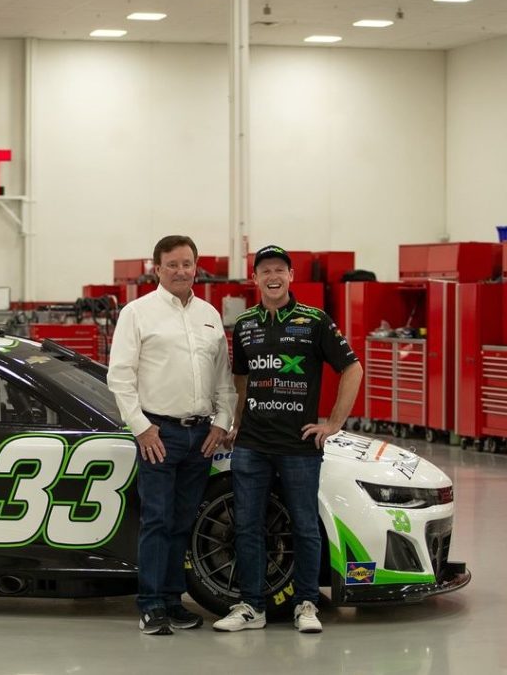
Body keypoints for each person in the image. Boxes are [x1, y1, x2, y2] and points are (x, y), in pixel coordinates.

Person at [212, 245, 362, 634]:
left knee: (305, 527)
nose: (273, 276)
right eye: (265, 270)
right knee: (247, 527)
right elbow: (241, 378)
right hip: (251, 445)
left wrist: (333, 423)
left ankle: (306, 603)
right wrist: (236, 422)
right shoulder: (245, 324)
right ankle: (252, 606)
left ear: (291, 276)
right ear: (255, 278)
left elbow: (352, 368)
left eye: (280, 269)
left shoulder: (314, 321)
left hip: (299, 446)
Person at [107, 235, 236, 636]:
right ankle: (150, 604)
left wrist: (222, 420)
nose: (181, 271)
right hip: (159, 435)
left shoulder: (209, 315)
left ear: (196, 267)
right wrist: (142, 428)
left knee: (183, 522)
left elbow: (223, 378)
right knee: (158, 521)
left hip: (201, 435)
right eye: (173, 264)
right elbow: (120, 377)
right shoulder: (137, 313)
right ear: (157, 268)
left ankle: (173, 600)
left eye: (187, 263)